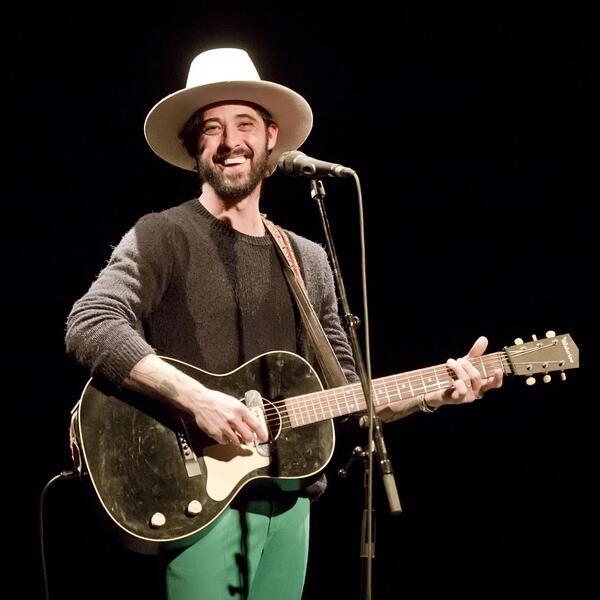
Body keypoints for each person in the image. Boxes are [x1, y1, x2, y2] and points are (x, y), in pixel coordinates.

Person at [65, 48, 503, 600]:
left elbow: (349, 393)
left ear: (272, 136)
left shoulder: (307, 259)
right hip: (194, 500)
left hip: (290, 497)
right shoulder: (162, 236)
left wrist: (436, 392)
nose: (230, 141)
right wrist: (197, 399)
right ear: (195, 146)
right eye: (212, 128)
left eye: (244, 124)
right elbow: (91, 322)